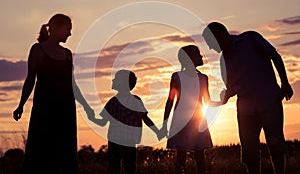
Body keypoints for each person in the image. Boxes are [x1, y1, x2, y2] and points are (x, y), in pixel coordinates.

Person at [202, 22, 294, 174]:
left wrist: (285, 82)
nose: (211, 48)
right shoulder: (223, 60)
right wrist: (220, 100)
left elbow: (274, 55)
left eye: (211, 43)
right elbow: (231, 88)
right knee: (250, 153)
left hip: (269, 102)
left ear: (220, 35)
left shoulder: (251, 38)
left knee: (276, 146)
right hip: (245, 112)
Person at [13, 13, 95, 174]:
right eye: (68, 29)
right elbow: (30, 79)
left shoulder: (67, 54)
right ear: (56, 27)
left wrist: (86, 106)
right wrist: (21, 105)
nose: (70, 34)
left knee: (65, 154)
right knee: (41, 152)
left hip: (66, 111)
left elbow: (72, 84)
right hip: (44, 109)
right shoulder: (38, 50)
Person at [161, 45, 221, 174]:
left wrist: (223, 100)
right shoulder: (177, 77)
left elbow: (208, 101)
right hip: (181, 121)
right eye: (197, 54)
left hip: (198, 121)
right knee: (182, 155)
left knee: (199, 155)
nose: (201, 56)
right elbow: (170, 101)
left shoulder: (203, 78)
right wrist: (164, 124)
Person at [93, 69, 162, 174]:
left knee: (114, 168)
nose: (113, 80)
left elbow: (102, 122)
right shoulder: (134, 101)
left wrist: (91, 117)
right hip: (128, 141)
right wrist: (157, 132)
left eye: (116, 79)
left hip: (115, 141)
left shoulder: (113, 101)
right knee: (129, 168)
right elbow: (146, 119)